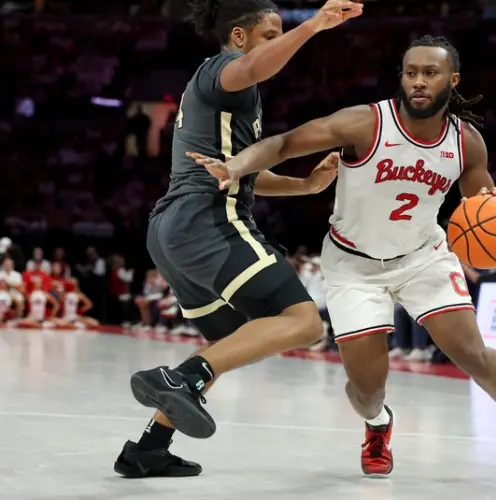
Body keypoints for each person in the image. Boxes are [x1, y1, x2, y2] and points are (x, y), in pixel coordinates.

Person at [191, 35, 496, 479]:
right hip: (353, 266)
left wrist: (493, 209)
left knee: (473, 354)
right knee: (367, 389)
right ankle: (378, 425)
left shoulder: (467, 142)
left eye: (430, 73)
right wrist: (237, 166)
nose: (419, 82)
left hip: (423, 257)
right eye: (411, 73)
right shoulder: (364, 124)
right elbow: (285, 143)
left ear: (453, 79)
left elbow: (477, 204)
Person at [115, 0, 362, 479]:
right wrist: (311, 26)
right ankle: (180, 378)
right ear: (240, 37)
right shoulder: (225, 69)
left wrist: (305, 186)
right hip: (206, 221)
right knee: (306, 322)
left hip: (171, 229)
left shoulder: (223, 94)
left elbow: (243, 175)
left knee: (231, 342)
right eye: (270, 34)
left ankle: (149, 446)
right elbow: (253, 65)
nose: (277, 42)